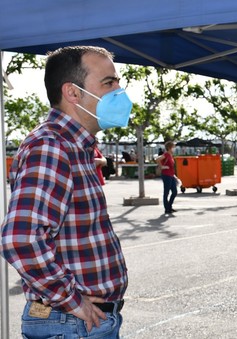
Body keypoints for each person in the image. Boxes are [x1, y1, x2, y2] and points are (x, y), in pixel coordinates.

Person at [0, 46, 130, 338]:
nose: (119, 91)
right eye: (109, 83)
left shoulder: (75, 146)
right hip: (73, 323)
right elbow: (21, 238)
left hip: (79, 323)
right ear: (73, 93)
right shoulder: (52, 146)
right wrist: (71, 300)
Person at [156, 141, 178, 214]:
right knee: (166, 192)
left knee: (174, 192)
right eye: (173, 147)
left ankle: (169, 206)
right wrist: (162, 166)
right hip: (166, 175)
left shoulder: (171, 155)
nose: (174, 148)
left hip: (171, 175)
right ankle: (167, 208)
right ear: (169, 148)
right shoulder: (166, 154)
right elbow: (157, 159)